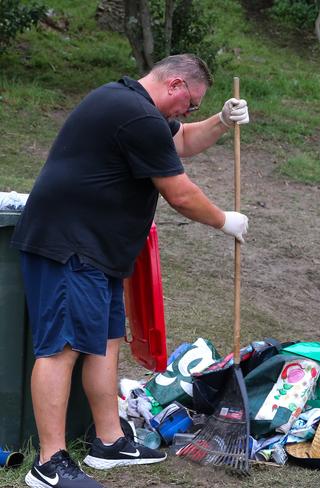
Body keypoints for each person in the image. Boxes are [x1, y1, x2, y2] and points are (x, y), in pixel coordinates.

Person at [11, 54, 250, 488]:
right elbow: (179, 194)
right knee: (60, 349)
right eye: (191, 103)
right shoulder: (133, 113)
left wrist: (220, 121)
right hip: (68, 245)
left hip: (98, 251)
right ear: (175, 85)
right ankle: (48, 465)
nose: (187, 113)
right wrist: (224, 220)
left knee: (105, 343)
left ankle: (110, 442)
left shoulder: (135, 108)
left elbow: (181, 142)